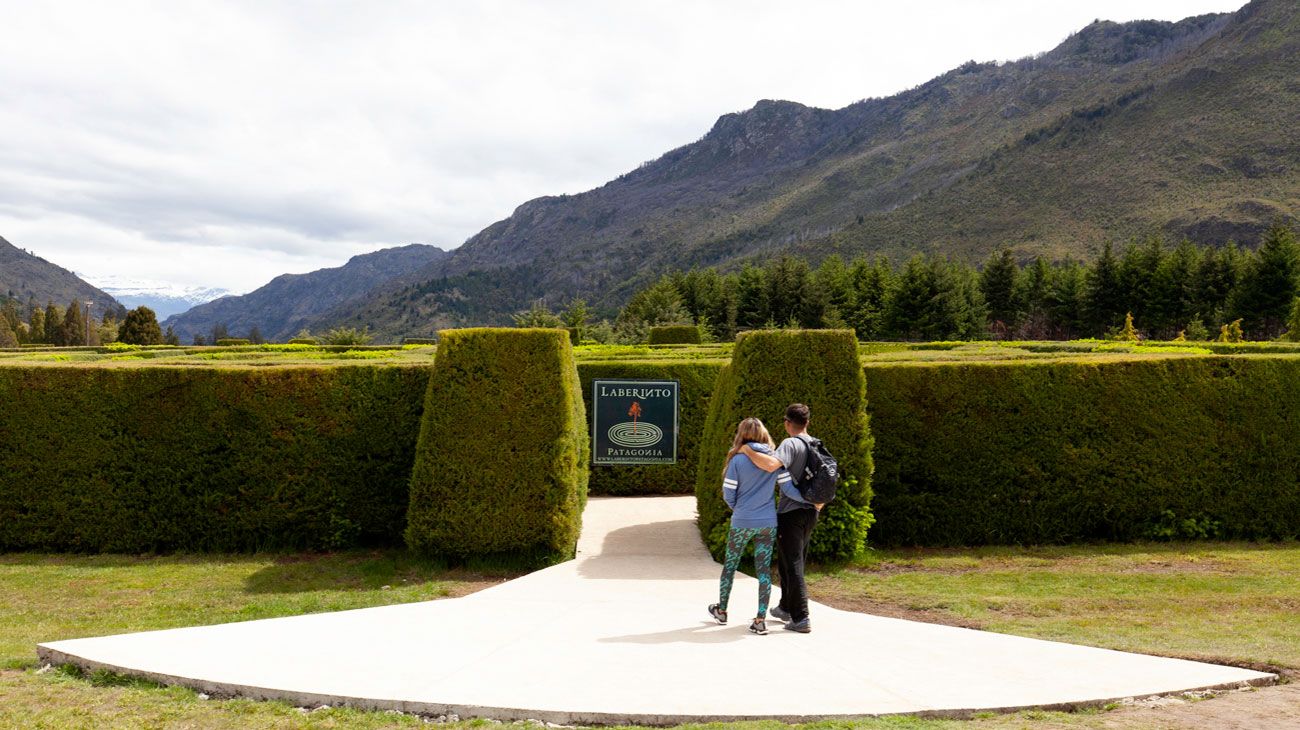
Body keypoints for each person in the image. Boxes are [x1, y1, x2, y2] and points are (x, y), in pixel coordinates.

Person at [707, 417, 792, 636]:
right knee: (763, 571)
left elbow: (728, 493)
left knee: (730, 566)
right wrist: (812, 501)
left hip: (742, 522)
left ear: (741, 434)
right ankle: (760, 620)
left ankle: (722, 611)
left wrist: (740, 510)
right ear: (764, 434)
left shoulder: (737, 460)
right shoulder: (775, 459)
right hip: (767, 523)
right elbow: (788, 488)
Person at [741, 403, 820, 633]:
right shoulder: (816, 444)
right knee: (789, 561)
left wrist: (747, 451)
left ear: (787, 423)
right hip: (811, 512)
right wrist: (817, 504)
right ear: (807, 422)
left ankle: (801, 617)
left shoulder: (790, 443)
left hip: (791, 513)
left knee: (793, 563)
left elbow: (770, 465)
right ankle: (785, 607)